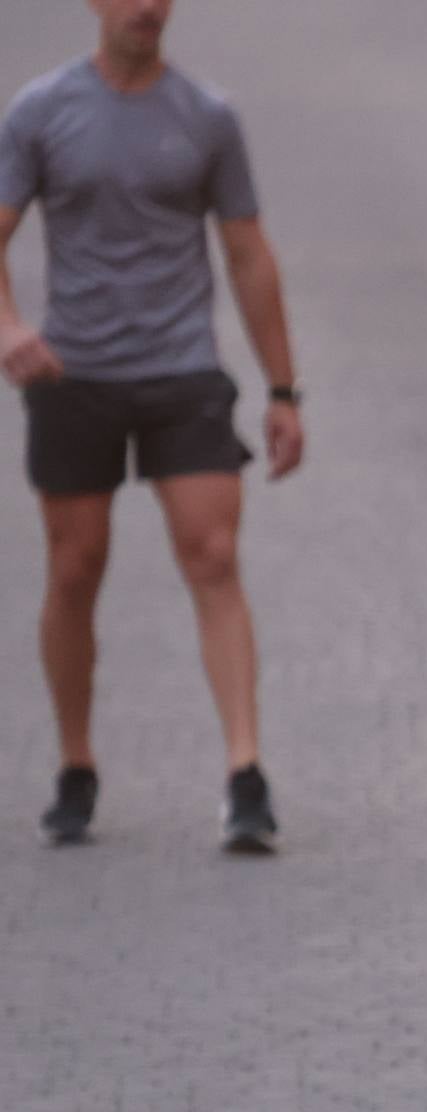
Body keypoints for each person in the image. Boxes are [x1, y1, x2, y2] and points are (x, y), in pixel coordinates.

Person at [1, 0, 301, 853]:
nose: (147, 7)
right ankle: (75, 764)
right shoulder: (42, 111)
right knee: (75, 567)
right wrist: (9, 327)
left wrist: (284, 389)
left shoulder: (206, 117)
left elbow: (247, 253)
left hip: (181, 371)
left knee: (214, 555)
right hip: (75, 374)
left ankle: (245, 773)